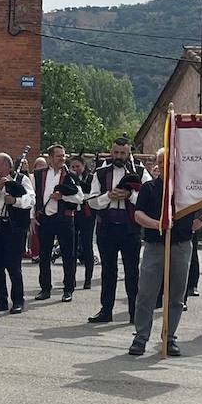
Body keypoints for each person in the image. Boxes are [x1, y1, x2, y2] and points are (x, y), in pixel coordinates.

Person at [129, 147, 195, 357]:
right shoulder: (149, 188)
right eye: (161, 162)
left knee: (176, 295)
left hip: (181, 245)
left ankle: (169, 337)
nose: (165, 166)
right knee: (146, 294)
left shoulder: (188, 188)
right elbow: (138, 215)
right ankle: (141, 337)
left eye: (169, 162)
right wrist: (159, 224)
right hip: (155, 246)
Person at [85, 136, 148, 324]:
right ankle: (106, 311)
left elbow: (148, 198)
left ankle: (134, 312)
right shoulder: (101, 172)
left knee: (132, 272)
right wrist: (108, 196)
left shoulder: (140, 170)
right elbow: (91, 201)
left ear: (129, 153)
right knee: (108, 271)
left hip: (130, 229)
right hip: (107, 228)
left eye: (123, 153)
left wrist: (130, 196)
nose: (119, 156)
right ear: (111, 152)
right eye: (116, 152)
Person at [0, 152, 34, 313]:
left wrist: (15, 201)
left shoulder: (21, 179)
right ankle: (1, 299)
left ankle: (18, 301)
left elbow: (31, 200)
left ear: (7, 165)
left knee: (13, 266)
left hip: (14, 227)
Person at [33, 144, 79, 303]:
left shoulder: (70, 175)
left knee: (68, 255)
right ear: (50, 158)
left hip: (64, 219)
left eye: (64, 155)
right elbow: (34, 196)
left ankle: (68, 289)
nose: (62, 158)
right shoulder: (39, 175)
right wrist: (33, 216)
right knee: (44, 255)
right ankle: (45, 288)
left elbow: (80, 197)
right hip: (45, 218)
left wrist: (63, 197)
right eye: (59, 156)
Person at [70, 155, 96, 290]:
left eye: (78, 166)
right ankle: (71, 278)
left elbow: (92, 194)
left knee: (87, 246)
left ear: (83, 166)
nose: (75, 169)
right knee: (72, 247)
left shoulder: (91, 178)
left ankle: (88, 279)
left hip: (87, 215)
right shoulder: (69, 178)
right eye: (73, 167)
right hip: (73, 214)